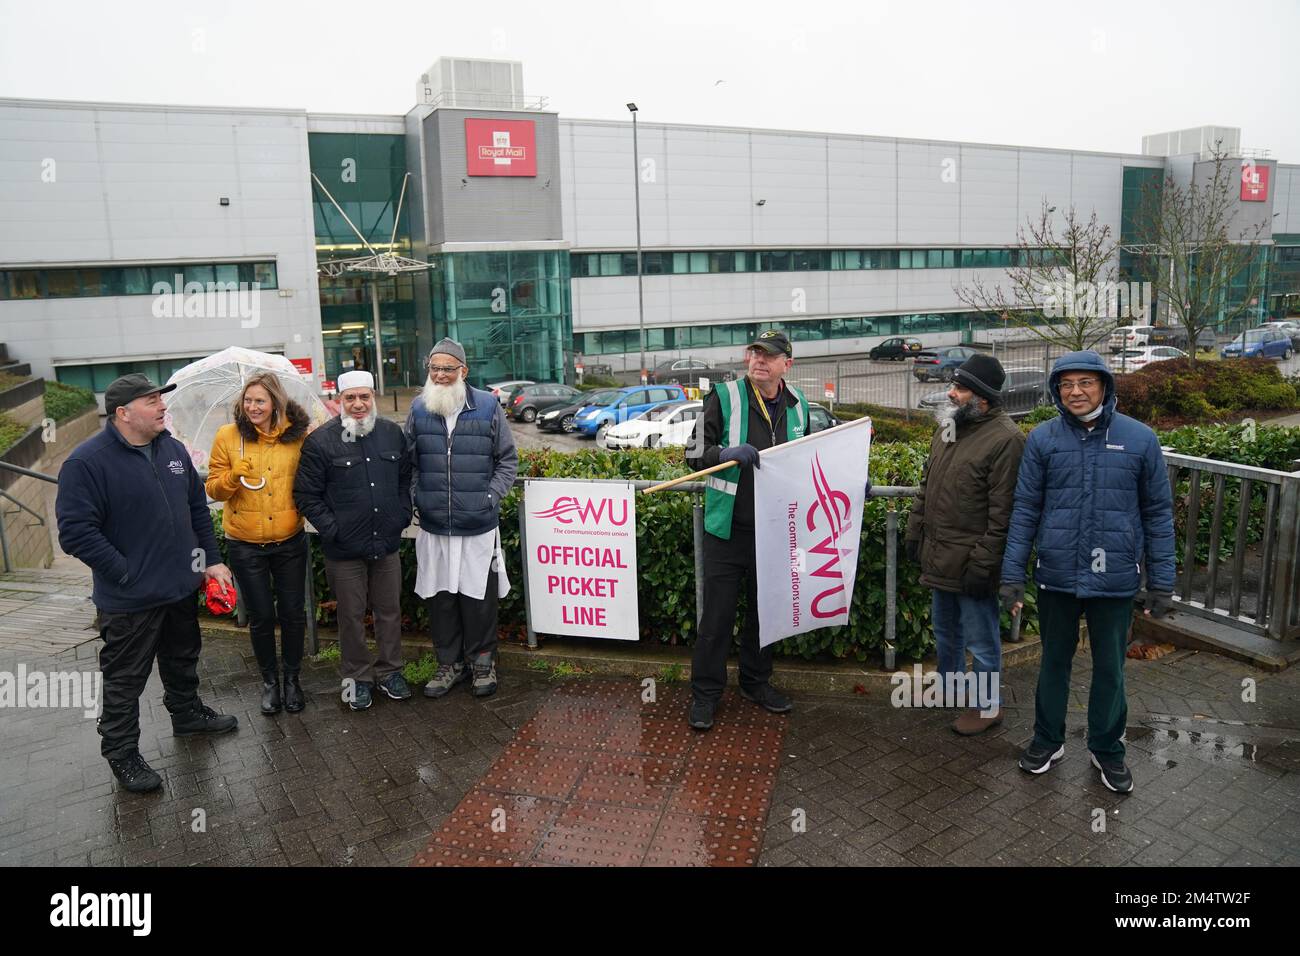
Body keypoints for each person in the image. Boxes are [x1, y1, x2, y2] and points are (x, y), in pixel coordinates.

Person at [1000, 350, 1175, 794]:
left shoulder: (1139, 439)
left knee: (1110, 668)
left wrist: (1162, 582)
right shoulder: (1043, 440)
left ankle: (1107, 748)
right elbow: (1024, 510)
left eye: (1085, 383)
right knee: (1053, 662)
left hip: (1115, 580)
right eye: (1065, 384)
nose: (1075, 392)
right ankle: (1047, 739)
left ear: (1104, 386)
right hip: (1057, 575)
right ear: (1056, 390)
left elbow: (1158, 514)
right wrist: (1012, 574)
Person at [56, 374, 239, 793]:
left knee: (182, 658)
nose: (162, 407)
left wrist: (210, 562)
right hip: (129, 599)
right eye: (152, 400)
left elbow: (196, 509)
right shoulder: (86, 463)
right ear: (123, 413)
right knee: (125, 680)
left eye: (161, 398)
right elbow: (76, 533)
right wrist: (126, 572)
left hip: (179, 588)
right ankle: (122, 755)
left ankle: (187, 714)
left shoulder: (172, 450)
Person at [685, 329, 811, 731]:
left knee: (766, 615)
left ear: (786, 365)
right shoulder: (724, 397)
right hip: (727, 530)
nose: (759, 359)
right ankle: (705, 695)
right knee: (716, 619)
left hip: (776, 531)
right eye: (755, 352)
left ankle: (756, 684)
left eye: (769, 355)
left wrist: (845, 482)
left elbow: (811, 462)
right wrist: (722, 454)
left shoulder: (800, 406)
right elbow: (691, 454)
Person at [904, 354, 1025, 734]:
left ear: (983, 398)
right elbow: (928, 485)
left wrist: (985, 563)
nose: (951, 393)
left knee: (982, 640)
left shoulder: (1007, 440)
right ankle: (950, 687)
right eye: (953, 386)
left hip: (973, 560)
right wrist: (914, 530)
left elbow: (1003, 513)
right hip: (940, 554)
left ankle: (988, 707)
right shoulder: (949, 428)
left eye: (960, 388)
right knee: (946, 631)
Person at [293, 370, 414, 711]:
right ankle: (358, 679)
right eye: (351, 398)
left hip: (386, 543)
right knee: (350, 615)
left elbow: (405, 479)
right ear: (339, 401)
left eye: (364, 397)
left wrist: (401, 515)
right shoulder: (320, 442)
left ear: (373, 397)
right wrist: (334, 530)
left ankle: (391, 672)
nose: (358, 404)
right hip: (343, 550)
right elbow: (306, 495)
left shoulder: (392, 434)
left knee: (389, 611)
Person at [405, 339, 517, 700]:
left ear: (463, 372)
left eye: (447, 369)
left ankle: (483, 663)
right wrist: (416, 497)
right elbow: (408, 463)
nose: (439, 375)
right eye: (434, 368)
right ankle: (448, 664)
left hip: (478, 526)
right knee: (441, 599)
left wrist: (489, 497)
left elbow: (507, 460)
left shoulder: (486, 406)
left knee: (479, 599)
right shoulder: (419, 407)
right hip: (435, 526)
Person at [206, 373, 312, 715]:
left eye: (260, 401)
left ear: (274, 403)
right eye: (248, 400)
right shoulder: (228, 436)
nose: (253, 407)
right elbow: (212, 489)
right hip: (245, 544)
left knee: (293, 614)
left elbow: (312, 479)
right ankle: (270, 682)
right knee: (262, 615)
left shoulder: (296, 437)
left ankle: (293, 679)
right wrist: (232, 476)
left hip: (289, 540)